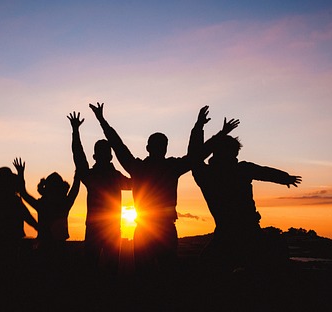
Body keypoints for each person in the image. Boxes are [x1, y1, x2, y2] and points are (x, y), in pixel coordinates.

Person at [89, 102, 239, 276]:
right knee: (168, 275)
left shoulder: (138, 168)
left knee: (145, 276)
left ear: (147, 148)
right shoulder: (171, 167)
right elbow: (198, 155)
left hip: (146, 231)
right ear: (165, 148)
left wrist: (102, 120)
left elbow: (118, 145)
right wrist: (212, 131)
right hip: (165, 230)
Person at [192, 133, 302, 272]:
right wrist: (285, 178)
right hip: (246, 232)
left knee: (209, 267)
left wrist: (199, 127)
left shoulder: (206, 174)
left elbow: (195, 158)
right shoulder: (241, 169)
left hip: (228, 232)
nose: (236, 156)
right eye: (234, 152)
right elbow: (264, 172)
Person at [69, 111, 132, 275]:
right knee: (107, 270)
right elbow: (79, 157)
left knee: (92, 268)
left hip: (98, 228)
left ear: (95, 156)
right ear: (111, 157)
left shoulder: (94, 176)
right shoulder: (113, 177)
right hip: (107, 228)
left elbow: (79, 157)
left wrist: (75, 131)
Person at [13, 158, 80, 252]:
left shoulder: (42, 205)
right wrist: (78, 173)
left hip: (44, 246)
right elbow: (75, 189)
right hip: (57, 247)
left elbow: (23, 193)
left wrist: (21, 175)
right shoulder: (64, 204)